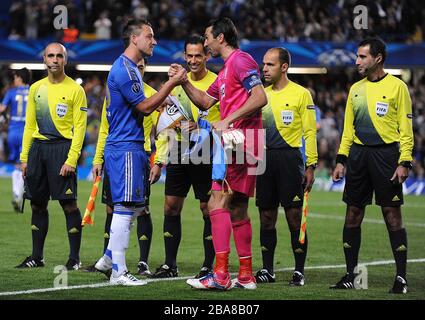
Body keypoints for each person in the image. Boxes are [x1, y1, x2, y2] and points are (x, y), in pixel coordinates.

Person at [171, 17, 268, 290]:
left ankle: (221, 274)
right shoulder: (226, 70)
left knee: (216, 203)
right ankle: (246, 275)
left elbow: (260, 97)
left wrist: (228, 120)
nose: (205, 42)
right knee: (237, 207)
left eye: (207, 37)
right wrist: (183, 82)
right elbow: (204, 100)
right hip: (247, 142)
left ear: (220, 38)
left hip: (238, 141)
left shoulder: (240, 60)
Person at [93, 19, 186, 286]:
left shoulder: (129, 68)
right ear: (134, 38)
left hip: (128, 147)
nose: (154, 41)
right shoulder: (125, 70)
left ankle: (110, 258)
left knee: (134, 207)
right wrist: (172, 84)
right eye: (149, 36)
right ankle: (118, 272)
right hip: (126, 148)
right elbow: (145, 107)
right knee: (124, 208)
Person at [330, 38, 413, 294]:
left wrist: (405, 161)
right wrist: (341, 160)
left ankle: (400, 278)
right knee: (353, 213)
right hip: (358, 157)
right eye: (357, 56)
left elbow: (405, 129)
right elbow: (347, 130)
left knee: (391, 214)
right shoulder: (355, 89)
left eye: (363, 57)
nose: (357, 61)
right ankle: (350, 275)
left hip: (387, 156)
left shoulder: (398, 87)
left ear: (377, 58)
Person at [150, 35, 220, 279]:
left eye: (198, 55)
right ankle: (170, 264)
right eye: (189, 56)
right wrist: (159, 159)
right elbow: (164, 120)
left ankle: (208, 265)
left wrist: (202, 129)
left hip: (206, 150)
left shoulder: (217, 82)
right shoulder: (175, 82)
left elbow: (225, 120)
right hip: (177, 149)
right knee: (170, 207)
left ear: (207, 56)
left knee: (207, 208)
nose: (193, 60)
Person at [15, 43, 88, 270]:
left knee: (69, 204)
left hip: (62, 150)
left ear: (65, 60)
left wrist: (71, 159)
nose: (55, 59)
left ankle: (74, 259)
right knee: (37, 204)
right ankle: (37, 257)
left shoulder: (76, 90)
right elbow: (29, 125)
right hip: (38, 149)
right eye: (51, 56)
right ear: (44, 59)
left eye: (59, 56)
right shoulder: (36, 88)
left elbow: (80, 128)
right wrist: (24, 157)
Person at [85, 57, 159, 276]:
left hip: (140, 155)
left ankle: (138, 262)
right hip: (118, 154)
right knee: (115, 207)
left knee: (139, 208)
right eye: (135, 66)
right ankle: (111, 259)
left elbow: (164, 130)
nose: (138, 70)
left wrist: (159, 159)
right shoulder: (116, 93)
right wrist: (98, 158)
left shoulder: (152, 95)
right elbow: (105, 129)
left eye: (142, 67)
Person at [254, 48, 318, 286]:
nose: (264, 69)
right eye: (264, 64)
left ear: (283, 67)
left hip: (290, 160)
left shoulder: (302, 94)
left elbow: (310, 132)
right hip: (264, 159)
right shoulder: (260, 96)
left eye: (270, 65)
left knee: (293, 217)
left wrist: (311, 165)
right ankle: (267, 270)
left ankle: (299, 271)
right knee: (266, 217)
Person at [0, 68, 31, 212]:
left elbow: (2, 109)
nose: (14, 80)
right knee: (24, 164)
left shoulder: (11, 92)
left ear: (19, 78)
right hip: (27, 133)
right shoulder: (33, 91)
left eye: (15, 77)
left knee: (16, 164)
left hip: (13, 132)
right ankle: (19, 194)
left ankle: (16, 193)